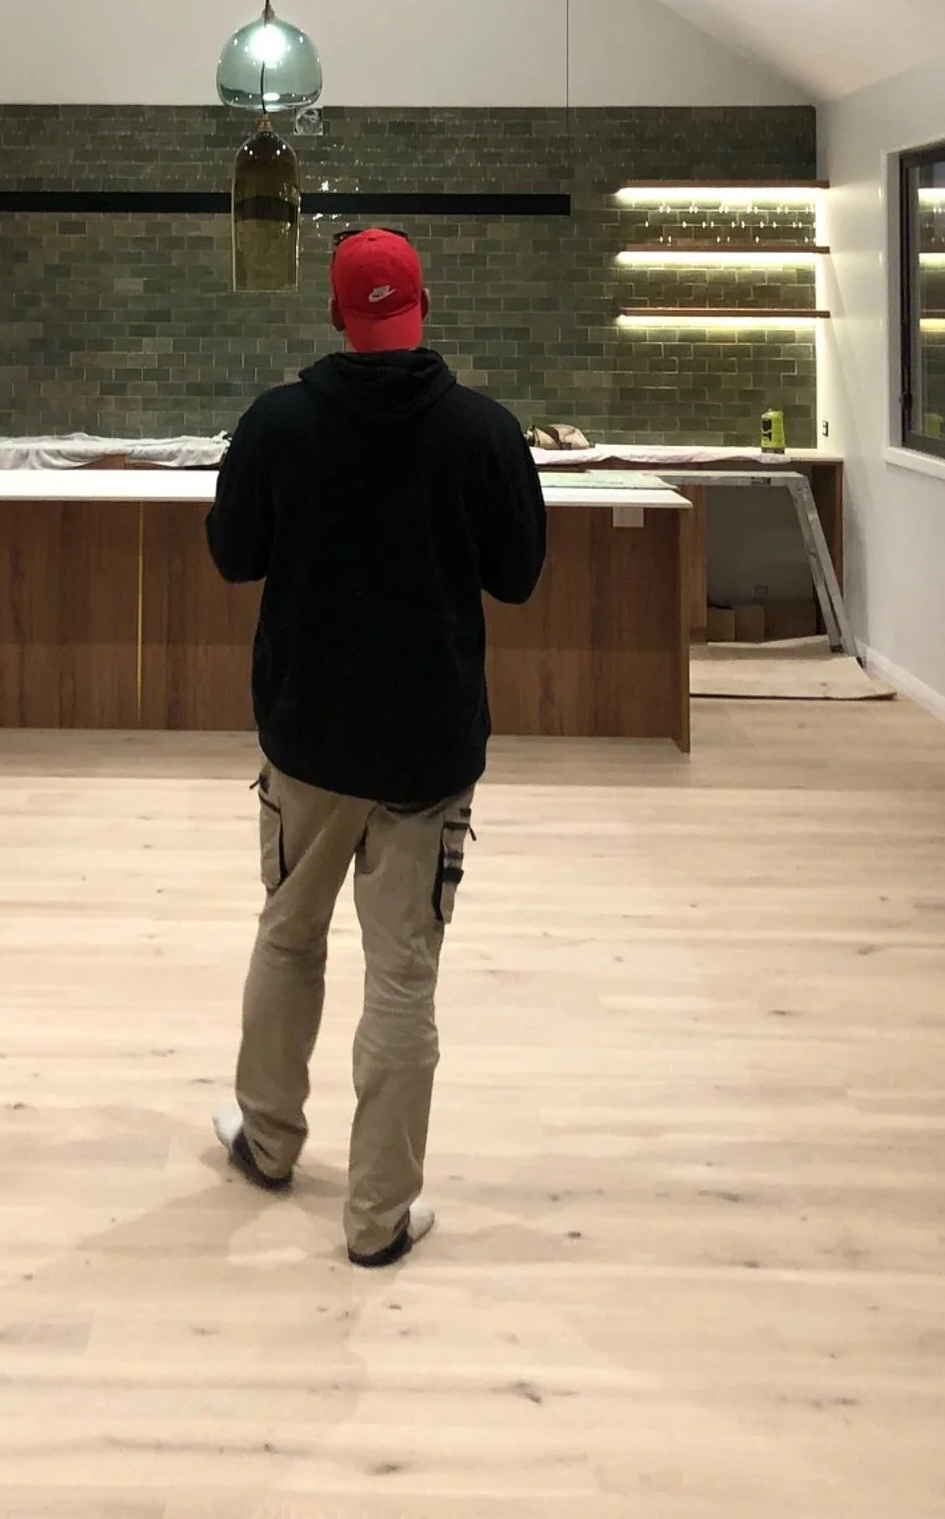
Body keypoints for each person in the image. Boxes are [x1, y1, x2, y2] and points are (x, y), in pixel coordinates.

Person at [205, 227, 547, 1264]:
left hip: (306, 740)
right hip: (426, 751)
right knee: (403, 978)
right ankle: (377, 1218)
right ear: (426, 306)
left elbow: (232, 555)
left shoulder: (278, 424)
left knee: (288, 936)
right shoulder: (484, 433)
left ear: (334, 315)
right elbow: (518, 576)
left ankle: (268, 1143)